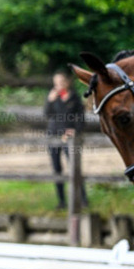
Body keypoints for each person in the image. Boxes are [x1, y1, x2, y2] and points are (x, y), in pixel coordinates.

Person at [45, 71, 87, 210]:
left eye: (61, 82)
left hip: (70, 138)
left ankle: (83, 199)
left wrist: (75, 130)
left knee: (74, 167)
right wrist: (50, 101)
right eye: (56, 82)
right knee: (57, 169)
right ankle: (61, 201)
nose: (59, 85)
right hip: (54, 135)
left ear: (68, 82)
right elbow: (47, 114)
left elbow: (81, 117)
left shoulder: (74, 98)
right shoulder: (53, 97)